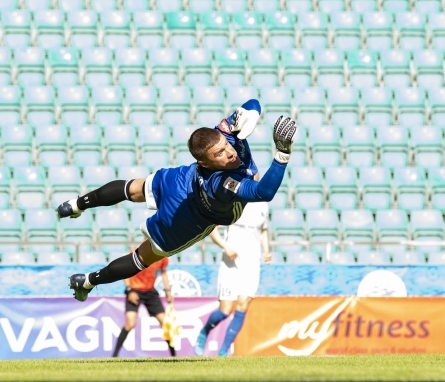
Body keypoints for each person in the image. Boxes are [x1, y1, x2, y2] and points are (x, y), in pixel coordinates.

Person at [60, 100, 297, 302]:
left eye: (225, 146)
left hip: (181, 181)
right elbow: (262, 193)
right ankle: (88, 282)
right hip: (188, 219)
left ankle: (75, 205)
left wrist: (250, 114)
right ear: (205, 162)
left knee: (132, 188)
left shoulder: (223, 132)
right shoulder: (221, 183)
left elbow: (252, 104)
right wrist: (282, 154)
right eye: (219, 154)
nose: (229, 153)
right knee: (143, 257)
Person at [194, 175, 271, 357]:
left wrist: (267, 251)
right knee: (225, 310)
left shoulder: (263, 205)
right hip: (232, 260)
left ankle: (224, 350)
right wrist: (225, 247)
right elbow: (213, 230)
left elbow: (263, 231)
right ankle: (205, 331)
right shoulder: (232, 200)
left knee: (243, 305)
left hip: (252, 261)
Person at [112, 255, 175, 357]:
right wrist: (129, 290)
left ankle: (173, 356)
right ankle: (114, 356)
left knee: (165, 323)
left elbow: (163, 272)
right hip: (134, 290)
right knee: (130, 323)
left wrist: (168, 291)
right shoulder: (136, 253)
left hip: (150, 291)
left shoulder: (162, 256)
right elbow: (125, 272)